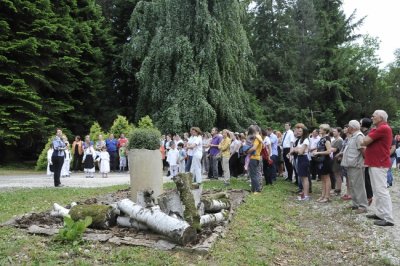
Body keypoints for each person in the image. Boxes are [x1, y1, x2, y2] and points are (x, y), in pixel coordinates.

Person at [362, 110, 395, 226]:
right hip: (376, 163)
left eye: (374, 115)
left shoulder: (382, 128)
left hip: (379, 163)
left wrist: (367, 140)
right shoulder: (379, 128)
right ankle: (381, 214)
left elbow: (364, 141)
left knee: (381, 191)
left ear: (380, 118)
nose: (372, 117)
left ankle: (388, 218)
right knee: (377, 190)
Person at [341, 120, 367, 214]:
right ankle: (355, 204)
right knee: (352, 185)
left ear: (352, 127)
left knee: (359, 186)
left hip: (357, 165)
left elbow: (363, 150)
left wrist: (364, 162)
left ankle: (363, 206)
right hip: (351, 165)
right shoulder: (353, 136)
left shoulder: (359, 136)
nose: (347, 128)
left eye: (348, 126)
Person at [312, 124, 332, 203]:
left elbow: (329, 151)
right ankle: (323, 195)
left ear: (325, 130)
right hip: (321, 161)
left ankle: (327, 197)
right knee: (323, 178)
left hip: (326, 160)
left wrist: (318, 152)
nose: (319, 130)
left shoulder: (327, 138)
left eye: (321, 128)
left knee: (326, 178)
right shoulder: (322, 138)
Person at [293, 127, 310, 201]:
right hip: (300, 158)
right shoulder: (300, 140)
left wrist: (297, 149)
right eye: (298, 131)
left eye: (300, 131)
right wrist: (297, 149)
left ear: (304, 132)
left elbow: (301, 151)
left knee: (305, 178)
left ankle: (306, 195)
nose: (298, 132)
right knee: (302, 177)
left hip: (304, 158)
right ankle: (304, 193)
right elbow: (295, 149)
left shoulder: (306, 140)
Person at [246, 125, 263, 194]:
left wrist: (247, 151)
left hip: (254, 157)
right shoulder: (259, 138)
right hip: (256, 157)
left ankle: (257, 190)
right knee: (253, 174)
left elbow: (254, 148)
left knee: (254, 175)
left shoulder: (257, 139)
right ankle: (253, 189)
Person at [360, 118, 373, 205]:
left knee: (366, 178)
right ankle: (366, 196)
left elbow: (364, 146)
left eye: (360, 122)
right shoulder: (364, 133)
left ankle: (369, 196)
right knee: (364, 178)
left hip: (366, 159)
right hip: (364, 158)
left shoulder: (368, 133)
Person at [331, 127, 343, 195]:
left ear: (339, 132)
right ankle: (336, 188)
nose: (333, 132)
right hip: (333, 157)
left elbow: (338, 150)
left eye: (335, 131)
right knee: (335, 174)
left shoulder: (340, 140)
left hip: (337, 158)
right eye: (333, 131)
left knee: (338, 174)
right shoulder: (334, 140)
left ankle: (338, 189)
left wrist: (328, 148)